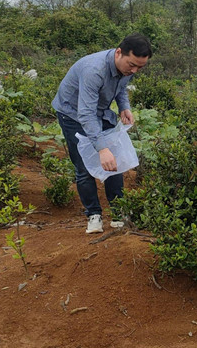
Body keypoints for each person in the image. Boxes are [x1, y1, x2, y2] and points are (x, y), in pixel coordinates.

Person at [52, 33, 152, 234]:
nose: (134, 70)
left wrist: (124, 107)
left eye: (140, 67)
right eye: (132, 65)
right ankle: (93, 214)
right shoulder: (94, 71)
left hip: (100, 111)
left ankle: (118, 212)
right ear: (118, 53)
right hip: (72, 113)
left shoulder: (129, 67)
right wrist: (102, 148)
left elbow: (121, 87)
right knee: (84, 165)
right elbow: (86, 114)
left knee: (115, 163)